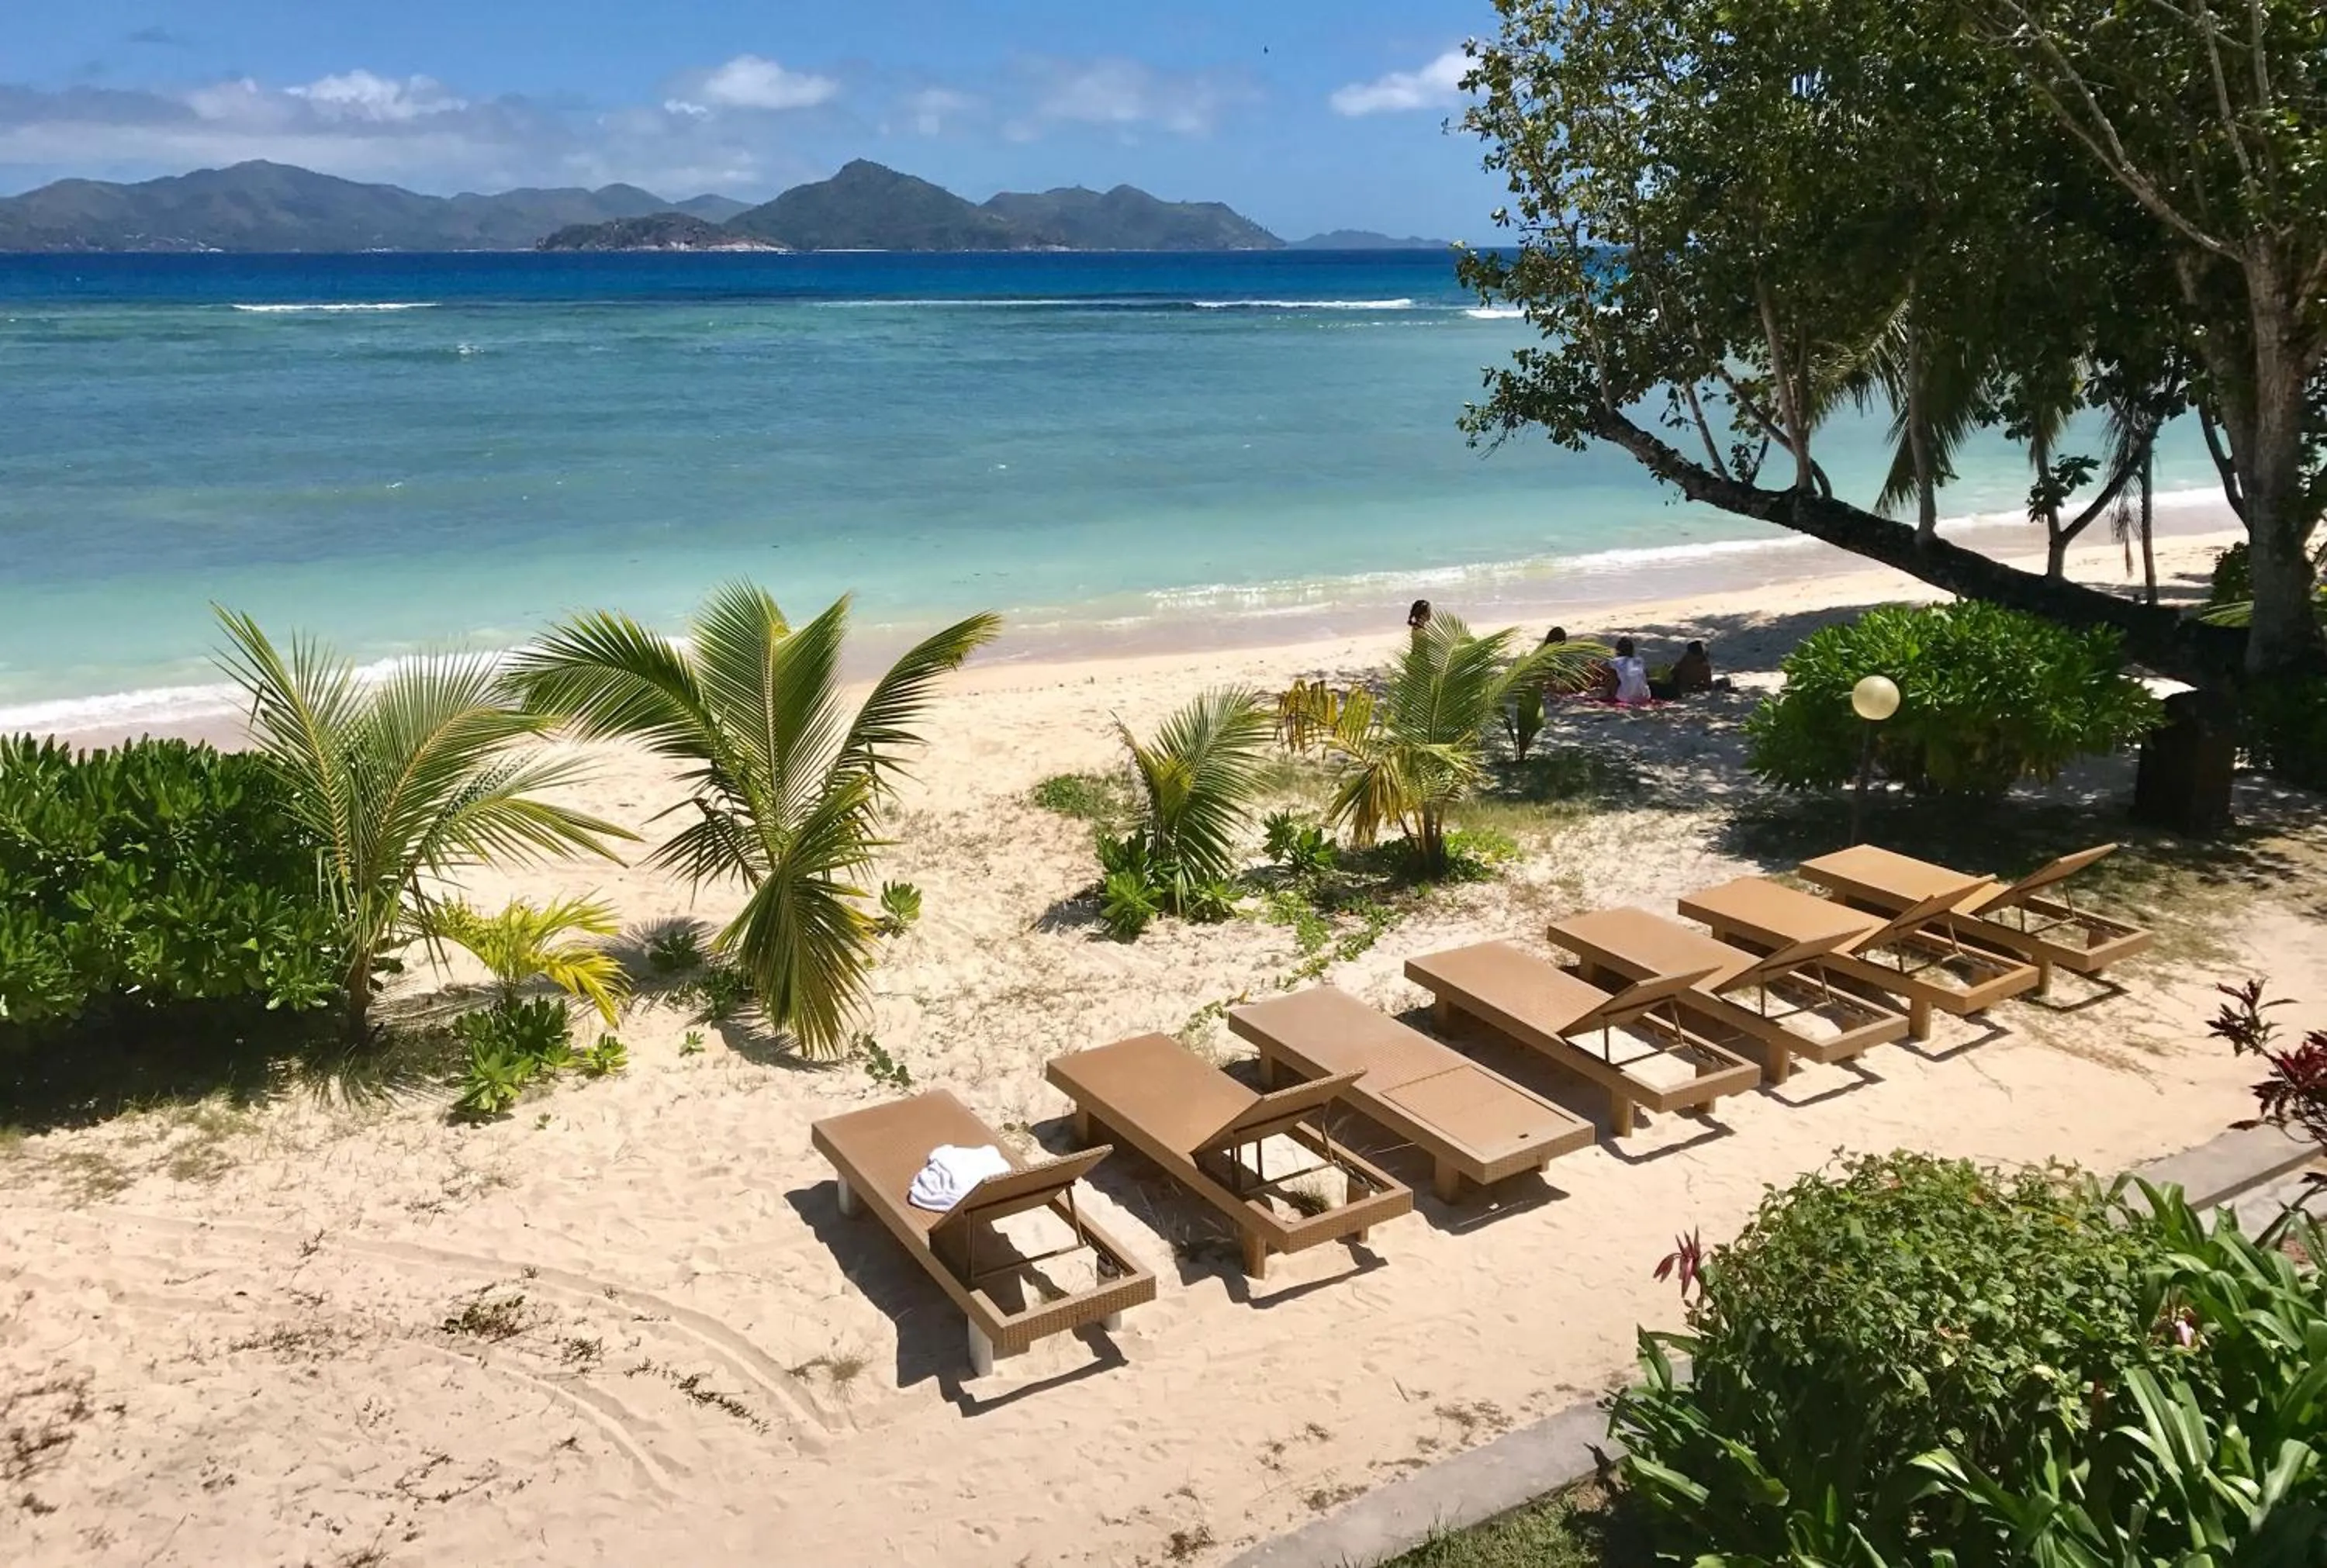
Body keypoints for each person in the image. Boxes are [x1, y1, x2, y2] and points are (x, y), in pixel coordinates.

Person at [1609, 636, 1651, 706]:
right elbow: (1647, 676)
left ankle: (1611, 694)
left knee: (1611, 673)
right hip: (1645, 696)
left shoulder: (1615, 661)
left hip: (1625, 697)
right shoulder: (1639, 660)